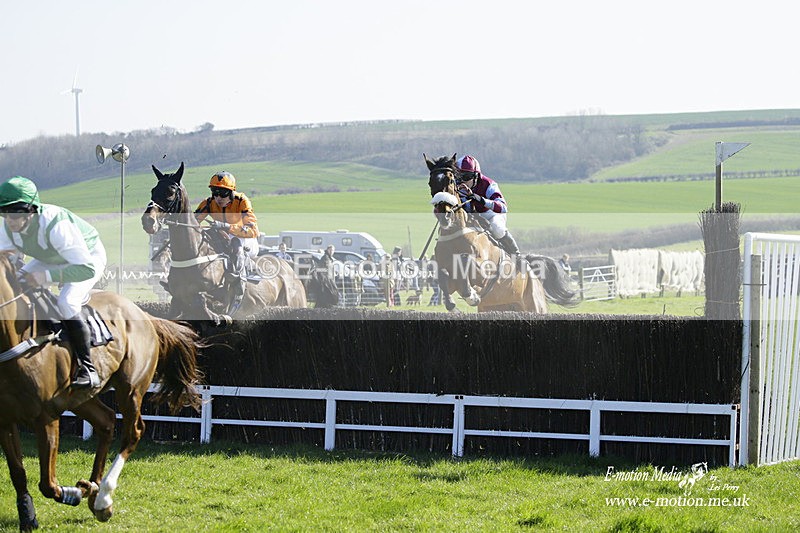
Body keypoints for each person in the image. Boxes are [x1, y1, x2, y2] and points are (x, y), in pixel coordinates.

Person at [0, 176, 106, 388]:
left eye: (17, 212)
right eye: (5, 212)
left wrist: (46, 277)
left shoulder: (55, 225)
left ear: (32, 210)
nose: (10, 219)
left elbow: (86, 268)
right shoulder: (7, 228)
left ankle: (88, 369)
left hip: (87, 259)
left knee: (67, 303)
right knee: (16, 286)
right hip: (49, 257)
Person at [194, 171, 259, 310]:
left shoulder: (242, 201)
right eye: (215, 192)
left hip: (244, 239)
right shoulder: (209, 203)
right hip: (222, 237)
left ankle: (238, 292)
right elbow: (193, 222)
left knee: (236, 246)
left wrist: (227, 227)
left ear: (231, 192)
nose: (218, 197)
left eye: (223, 193)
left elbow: (252, 230)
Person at [455, 155, 523, 267]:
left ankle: (517, 257)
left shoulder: (488, 184)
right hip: (471, 216)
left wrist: (480, 199)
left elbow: (503, 207)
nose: (461, 181)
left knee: (497, 229)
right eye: (458, 176)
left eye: (465, 176)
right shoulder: (455, 185)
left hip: (490, 215)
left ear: (475, 176)